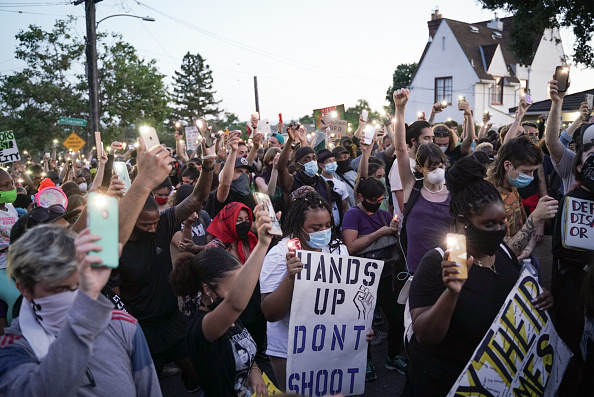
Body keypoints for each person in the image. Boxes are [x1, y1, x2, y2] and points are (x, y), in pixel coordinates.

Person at [407, 157, 553, 396]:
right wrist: (451, 293)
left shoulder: (504, 252)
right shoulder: (438, 262)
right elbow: (425, 335)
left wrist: (538, 300)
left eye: (502, 222)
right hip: (449, 383)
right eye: (488, 224)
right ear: (464, 223)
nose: (499, 230)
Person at [0, 225, 161, 396]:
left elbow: (149, 389)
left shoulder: (122, 325)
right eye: (57, 289)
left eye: (78, 285)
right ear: (24, 289)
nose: (73, 297)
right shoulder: (12, 350)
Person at [115, 137, 215, 392]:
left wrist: (208, 165)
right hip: (140, 331)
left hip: (172, 321)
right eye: (145, 225)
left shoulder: (164, 221)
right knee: (147, 388)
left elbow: (197, 198)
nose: (153, 228)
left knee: (202, 374)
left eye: (155, 222)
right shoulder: (117, 243)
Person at [169, 205, 272, 396]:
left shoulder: (233, 319)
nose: (239, 291)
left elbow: (244, 348)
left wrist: (255, 371)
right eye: (232, 287)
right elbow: (235, 302)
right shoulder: (204, 327)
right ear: (207, 289)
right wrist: (263, 243)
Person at [260, 188, 348, 391]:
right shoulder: (279, 255)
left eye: (327, 225)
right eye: (315, 227)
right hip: (289, 349)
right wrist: (291, 277)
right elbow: (270, 313)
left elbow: (345, 296)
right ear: (299, 227)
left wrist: (358, 327)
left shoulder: (338, 249)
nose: (323, 231)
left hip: (329, 346)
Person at [341, 177, 405, 379]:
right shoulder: (352, 215)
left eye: (380, 199)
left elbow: (396, 242)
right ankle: (364, 361)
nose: (377, 203)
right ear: (361, 197)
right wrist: (380, 233)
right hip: (362, 276)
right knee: (362, 320)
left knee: (396, 316)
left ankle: (393, 356)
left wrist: (395, 232)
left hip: (386, 274)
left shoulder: (384, 214)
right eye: (373, 199)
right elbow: (351, 246)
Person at [551, 123, 594, 395]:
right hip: (575, 297)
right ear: (578, 165)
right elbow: (565, 252)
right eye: (590, 150)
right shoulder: (572, 200)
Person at [393, 88, 453, 274]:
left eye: (441, 166)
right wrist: (400, 109)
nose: (438, 170)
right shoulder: (413, 187)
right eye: (432, 167)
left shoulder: (453, 193)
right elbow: (401, 150)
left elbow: (460, 235)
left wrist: (458, 275)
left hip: (447, 274)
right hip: (416, 273)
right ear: (420, 168)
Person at [486, 136, 557, 260]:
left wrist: (528, 249)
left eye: (533, 172)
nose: (531, 177)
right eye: (526, 171)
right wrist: (536, 217)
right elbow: (507, 251)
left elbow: (524, 231)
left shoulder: (512, 189)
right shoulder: (490, 197)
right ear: (507, 165)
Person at [205, 133, 256, 217]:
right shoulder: (224, 194)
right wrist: (233, 151)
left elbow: (252, 223)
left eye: (246, 172)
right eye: (239, 171)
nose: (244, 176)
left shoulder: (250, 197)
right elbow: (225, 184)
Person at [316, 149, 349, 228]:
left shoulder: (341, 184)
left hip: (338, 227)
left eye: (334, 160)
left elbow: (344, 207)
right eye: (329, 161)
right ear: (321, 165)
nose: (333, 163)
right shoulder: (317, 183)